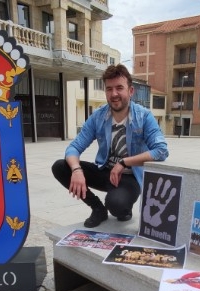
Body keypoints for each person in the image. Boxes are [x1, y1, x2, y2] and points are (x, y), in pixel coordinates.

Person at [52, 64, 168, 228]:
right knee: (60, 167)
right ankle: (97, 209)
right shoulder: (98, 116)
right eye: (109, 89)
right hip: (105, 171)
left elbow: (161, 151)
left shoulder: (143, 116)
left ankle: (123, 207)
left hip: (130, 177)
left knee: (116, 205)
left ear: (131, 91)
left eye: (119, 88)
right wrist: (76, 170)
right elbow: (74, 147)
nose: (114, 94)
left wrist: (124, 163)